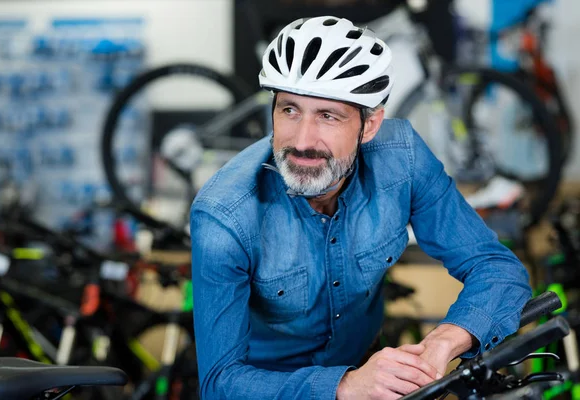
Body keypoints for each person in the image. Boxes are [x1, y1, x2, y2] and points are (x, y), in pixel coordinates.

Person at [190, 16, 531, 400]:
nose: (302, 141)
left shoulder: (402, 159)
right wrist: (345, 386)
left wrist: (446, 341)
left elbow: (496, 267)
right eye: (289, 110)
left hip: (370, 369)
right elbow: (219, 384)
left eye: (328, 116)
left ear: (369, 126)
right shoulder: (224, 215)